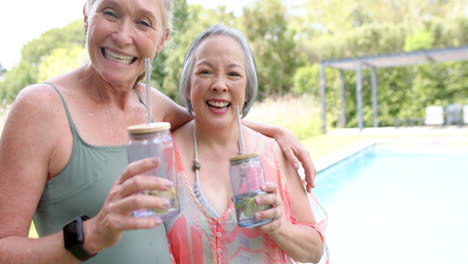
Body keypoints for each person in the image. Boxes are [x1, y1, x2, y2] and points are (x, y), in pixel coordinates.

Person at [0, 0, 318, 263]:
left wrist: (275, 132)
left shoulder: (152, 105)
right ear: (87, 15)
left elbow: (214, 119)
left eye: (143, 23)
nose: (123, 36)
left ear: (161, 39)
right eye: (110, 12)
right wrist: (92, 234)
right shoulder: (40, 108)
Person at [167, 24, 327, 263]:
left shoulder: (275, 154)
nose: (219, 84)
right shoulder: (164, 154)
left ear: (247, 88)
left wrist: (279, 227)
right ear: (188, 84)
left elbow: (314, 251)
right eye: (205, 72)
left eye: (233, 74)